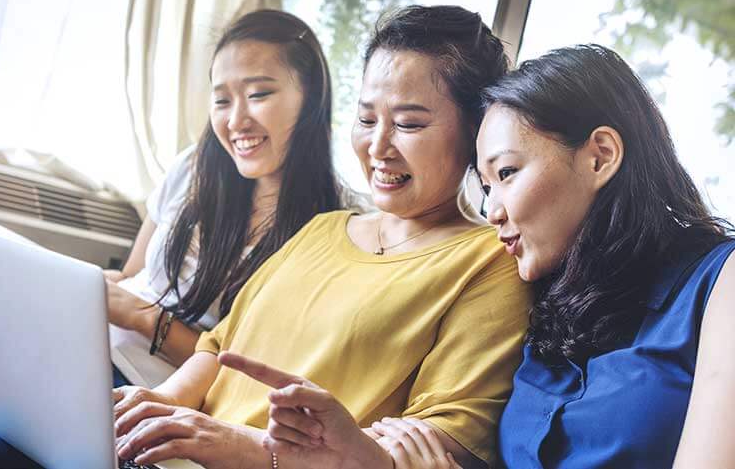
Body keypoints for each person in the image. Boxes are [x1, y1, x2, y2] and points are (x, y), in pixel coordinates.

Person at [0, 9, 348, 468]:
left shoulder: (326, 229)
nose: (236, 121)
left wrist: (139, 315)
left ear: (310, 98)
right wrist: (70, 294)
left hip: (144, 375)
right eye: (221, 100)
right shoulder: (194, 166)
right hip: (91, 337)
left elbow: (237, 363)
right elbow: (132, 275)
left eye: (258, 94)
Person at [247, 44, 735, 469]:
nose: (491, 211)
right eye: (483, 187)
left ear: (600, 155)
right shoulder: (542, 306)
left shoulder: (719, 284)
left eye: (506, 173)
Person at [111, 5, 530, 469]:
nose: (377, 147)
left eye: (408, 124)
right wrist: (156, 406)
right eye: (368, 120)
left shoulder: (490, 261)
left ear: (476, 131)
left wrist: (238, 445)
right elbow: (218, 348)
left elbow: (436, 445)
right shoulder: (324, 228)